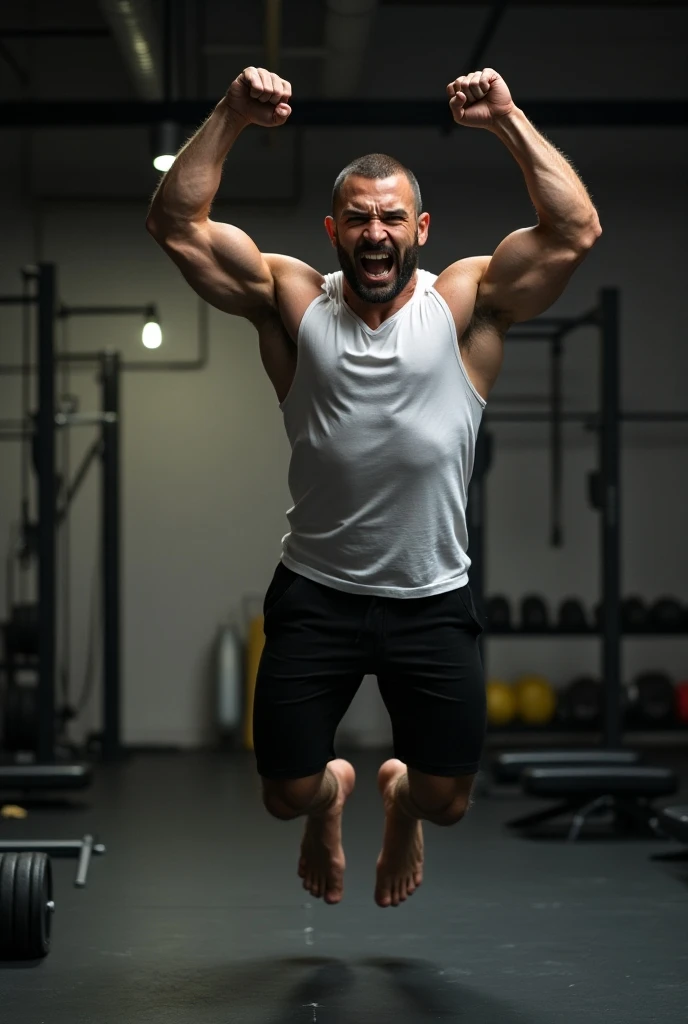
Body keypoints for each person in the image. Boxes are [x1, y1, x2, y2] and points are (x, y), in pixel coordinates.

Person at [146, 66, 601, 909]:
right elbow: (175, 224)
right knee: (285, 792)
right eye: (358, 218)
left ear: (420, 228)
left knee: (446, 799)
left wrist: (507, 119)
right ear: (334, 231)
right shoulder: (290, 300)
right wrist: (232, 115)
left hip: (432, 597)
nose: (376, 232)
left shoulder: (465, 304)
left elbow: (574, 232)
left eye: (393, 217)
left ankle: (398, 801)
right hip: (316, 590)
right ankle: (334, 796)